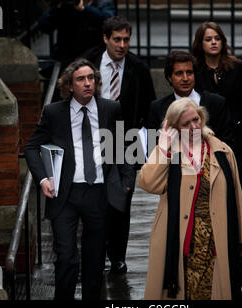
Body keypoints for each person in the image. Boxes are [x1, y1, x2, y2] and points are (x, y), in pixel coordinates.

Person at [24, 58, 133, 300]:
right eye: (81, 79)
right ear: (69, 86)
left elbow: (122, 146)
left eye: (91, 78)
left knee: (94, 262)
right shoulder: (54, 112)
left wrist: (126, 181)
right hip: (65, 193)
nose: (87, 83)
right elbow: (31, 147)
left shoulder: (110, 109)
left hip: (99, 193)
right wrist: (43, 179)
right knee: (66, 257)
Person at [138, 98, 242, 300]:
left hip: (216, 239)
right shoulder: (170, 154)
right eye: (186, 124)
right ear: (173, 128)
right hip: (180, 242)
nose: (194, 126)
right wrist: (162, 147)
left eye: (196, 119)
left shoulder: (222, 151)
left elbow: (236, 195)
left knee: (215, 292)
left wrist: (240, 240)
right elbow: (148, 183)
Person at [85, 16, 157, 274]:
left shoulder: (138, 68)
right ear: (105, 38)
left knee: (122, 200)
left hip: (127, 140)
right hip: (93, 138)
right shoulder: (89, 63)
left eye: (126, 39)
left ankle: (117, 256)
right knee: (94, 198)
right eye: (117, 39)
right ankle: (97, 252)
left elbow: (151, 109)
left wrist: (148, 147)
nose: (122, 45)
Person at [192, 21, 242, 186]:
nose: (213, 42)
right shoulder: (195, 71)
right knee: (211, 186)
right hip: (208, 138)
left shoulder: (237, 67)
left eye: (217, 38)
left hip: (237, 137)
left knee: (234, 185)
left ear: (222, 42)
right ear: (200, 43)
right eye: (208, 39)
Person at [147, 50, 234, 150]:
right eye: (179, 73)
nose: (185, 78)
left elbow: (227, 143)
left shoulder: (216, 103)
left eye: (189, 73)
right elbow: (152, 147)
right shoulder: (157, 108)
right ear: (169, 78)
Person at [38, 0, 115, 66]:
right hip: (66, 57)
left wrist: (84, 9)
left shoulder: (102, 3)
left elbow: (109, 23)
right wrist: (57, 7)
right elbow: (43, 26)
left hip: (93, 57)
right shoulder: (66, 5)